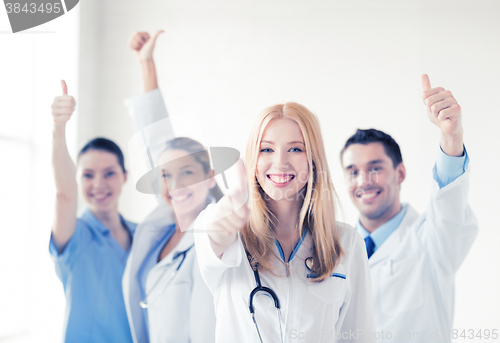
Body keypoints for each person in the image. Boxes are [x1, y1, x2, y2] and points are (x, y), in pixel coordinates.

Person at [194, 102, 376, 343]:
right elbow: (215, 232)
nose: (280, 162)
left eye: (295, 149)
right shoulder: (228, 232)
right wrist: (225, 217)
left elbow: (358, 336)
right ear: (253, 160)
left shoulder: (347, 242)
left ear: (313, 160)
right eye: (266, 150)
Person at [339, 75, 479, 342]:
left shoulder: (432, 240)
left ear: (400, 173)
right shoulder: (334, 249)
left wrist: (451, 139)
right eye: (353, 171)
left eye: (375, 168)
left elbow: (449, 207)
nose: (363, 181)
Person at [122, 31, 220, 343]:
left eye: (188, 172)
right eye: (167, 175)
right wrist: (146, 63)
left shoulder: (220, 235)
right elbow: (155, 141)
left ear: (210, 176)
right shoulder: (162, 227)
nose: (175, 184)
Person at [49, 81, 136, 342]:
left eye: (109, 173)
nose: (98, 185)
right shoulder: (74, 234)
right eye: (87, 175)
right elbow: (64, 193)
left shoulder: (142, 234)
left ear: (125, 177)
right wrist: (58, 128)